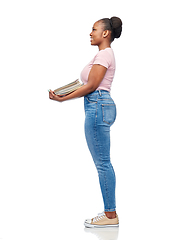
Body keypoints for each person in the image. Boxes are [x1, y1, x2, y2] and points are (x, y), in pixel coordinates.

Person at [49, 16, 122, 228]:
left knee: (103, 163)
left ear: (105, 33)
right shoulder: (103, 55)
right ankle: (110, 213)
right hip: (100, 105)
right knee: (103, 162)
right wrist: (66, 92)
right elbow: (89, 84)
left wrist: (63, 98)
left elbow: (92, 86)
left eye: (94, 29)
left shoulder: (104, 54)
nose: (90, 33)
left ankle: (110, 216)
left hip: (97, 105)